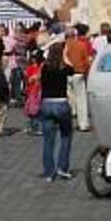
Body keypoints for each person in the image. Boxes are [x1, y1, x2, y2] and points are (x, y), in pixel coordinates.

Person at [32, 35, 77, 181]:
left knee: (48, 140)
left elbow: (38, 58)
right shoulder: (64, 68)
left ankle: (49, 172)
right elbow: (73, 69)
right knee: (66, 136)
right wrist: (65, 55)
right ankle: (62, 167)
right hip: (61, 103)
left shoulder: (45, 67)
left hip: (46, 103)